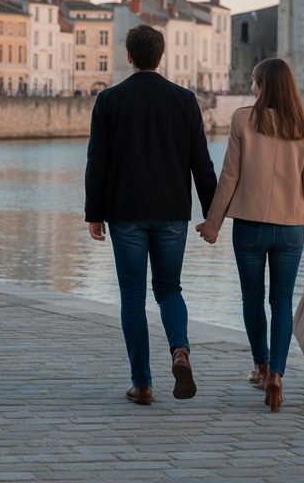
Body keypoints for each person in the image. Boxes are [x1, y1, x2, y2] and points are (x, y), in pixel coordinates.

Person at [85, 24, 217, 406]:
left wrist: (95, 213)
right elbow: (201, 164)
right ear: (161, 56)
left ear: (128, 56)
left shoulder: (109, 100)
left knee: (132, 296)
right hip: (172, 211)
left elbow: (97, 162)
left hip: (125, 212)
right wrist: (212, 215)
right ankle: (179, 349)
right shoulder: (184, 100)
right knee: (169, 289)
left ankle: (142, 383)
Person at [195, 58, 304, 412]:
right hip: (291, 230)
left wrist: (213, 223)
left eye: (254, 81)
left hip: (250, 227)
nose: (252, 86)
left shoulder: (242, 119)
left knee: (252, 299)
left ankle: (261, 365)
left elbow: (229, 177)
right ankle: (278, 375)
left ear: (263, 85)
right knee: (281, 301)